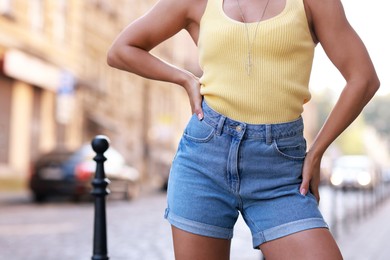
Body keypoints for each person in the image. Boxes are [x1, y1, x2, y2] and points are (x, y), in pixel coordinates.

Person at [107, 0, 380, 259]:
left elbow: (363, 78)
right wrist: (185, 79)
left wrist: (317, 151)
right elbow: (122, 50)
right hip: (204, 160)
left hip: (280, 171)